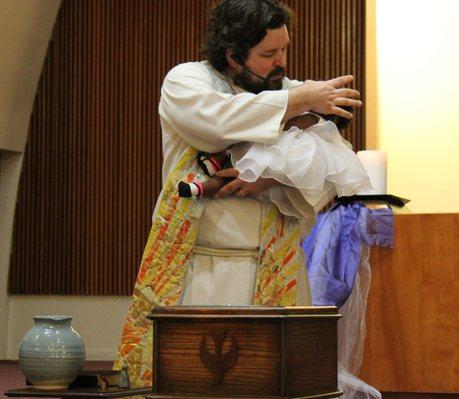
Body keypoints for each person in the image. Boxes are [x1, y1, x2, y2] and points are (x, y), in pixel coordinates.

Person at [115, 0, 365, 388]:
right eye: (269, 53)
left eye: (285, 48)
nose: (282, 62)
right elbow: (215, 125)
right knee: (200, 386)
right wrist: (299, 102)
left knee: (283, 386)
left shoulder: (285, 91)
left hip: (278, 265)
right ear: (232, 55)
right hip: (200, 271)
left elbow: (338, 165)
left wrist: (272, 178)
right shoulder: (187, 81)